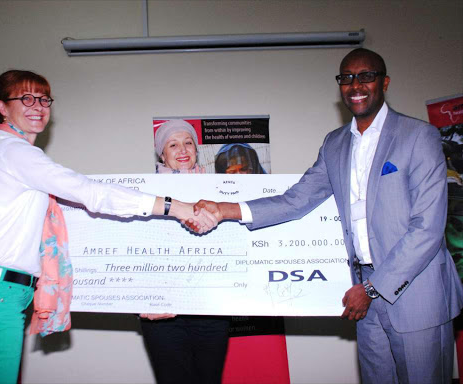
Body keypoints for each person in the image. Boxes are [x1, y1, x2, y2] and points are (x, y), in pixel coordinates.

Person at [194, 48, 463, 383]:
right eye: (346, 78)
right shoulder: (335, 144)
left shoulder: (418, 136)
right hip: (363, 291)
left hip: (416, 293)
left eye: (366, 75)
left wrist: (372, 288)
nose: (355, 85)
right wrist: (226, 210)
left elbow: (427, 229)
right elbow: (297, 199)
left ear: (384, 82)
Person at [0, 70, 216, 384]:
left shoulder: (8, 153)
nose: (37, 106)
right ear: (2, 108)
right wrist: (177, 207)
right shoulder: (14, 152)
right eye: (25, 98)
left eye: (43, 98)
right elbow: (91, 194)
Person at [140, 119, 229, 384]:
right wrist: (137, 299)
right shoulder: (144, 195)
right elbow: (132, 251)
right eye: (173, 144)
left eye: (188, 142)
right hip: (162, 313)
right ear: (162, 154)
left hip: (211, 308)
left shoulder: (221, 192)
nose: (182, 150)